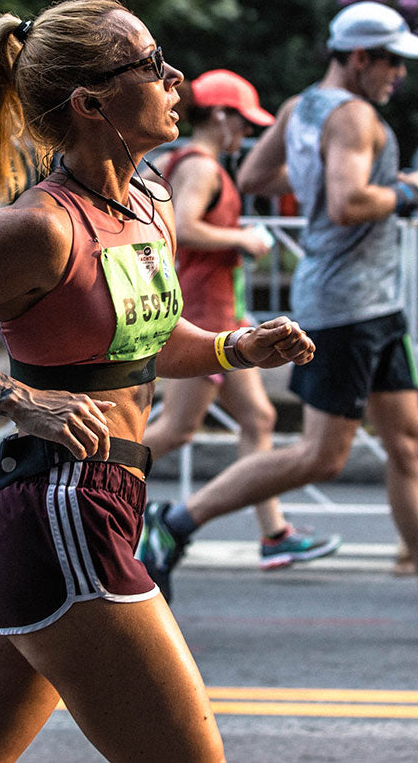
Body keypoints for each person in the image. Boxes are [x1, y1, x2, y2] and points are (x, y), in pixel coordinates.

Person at [0, 0, 316, 763]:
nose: (174, 78)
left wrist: (236, 348)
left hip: (100, 503)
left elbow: (140, 340)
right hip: (64, 508)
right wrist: (18, 400)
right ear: (92, 101)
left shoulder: (152, 202)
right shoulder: (40, 227)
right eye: (150, 64)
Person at [137, 1, 418, 641]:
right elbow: (347, 204)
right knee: (321, 456)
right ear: (360, 57)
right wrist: (407, 192)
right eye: (392, 61)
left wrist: (322, 173)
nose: (399, 74)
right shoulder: (353, 115)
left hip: (375, 303)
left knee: (409, 443)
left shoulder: (301, 109)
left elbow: (259, 175)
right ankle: (174, 525)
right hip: (346, 306)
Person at [141, 69, 341, 570]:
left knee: (258, 418)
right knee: (175, 431)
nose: (247, 136)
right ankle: (68, 479)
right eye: (244, 125)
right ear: (221, 116)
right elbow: (184, 227)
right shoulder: (203, 167)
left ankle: (274, 534)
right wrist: (243, 240)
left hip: (219, 310)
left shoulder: (177, 159)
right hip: (204, 314)